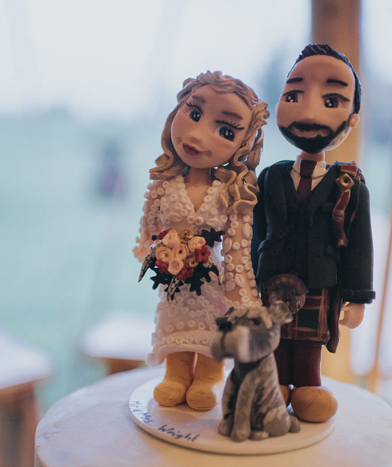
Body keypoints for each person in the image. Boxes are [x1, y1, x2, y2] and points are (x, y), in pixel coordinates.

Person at [251, 44, 375, 423]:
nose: (308, 110)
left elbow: (359, 246)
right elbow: (255, 233)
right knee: (271, 339)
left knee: (307, 344)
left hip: (320, 282)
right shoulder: (270, 176)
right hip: (269, 281)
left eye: (332, 99)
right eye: (294, 95)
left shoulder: (348, 184)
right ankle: (272, 386)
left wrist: (356, 298)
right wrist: (242, 279)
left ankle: (306, 386)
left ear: (352, 120)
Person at [135, 71, 269, 411]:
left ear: (243, 142)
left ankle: (207, 378)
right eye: (194, 114)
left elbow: (238, 246)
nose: (197, 135)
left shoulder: (230, 193)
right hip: (173, 277)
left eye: (225, 130)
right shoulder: (163, 185)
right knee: (174, 323)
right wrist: (152, 254)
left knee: (212, 327)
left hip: (211, 282)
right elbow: (149, 226)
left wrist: (240, 290)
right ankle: (176, 375)